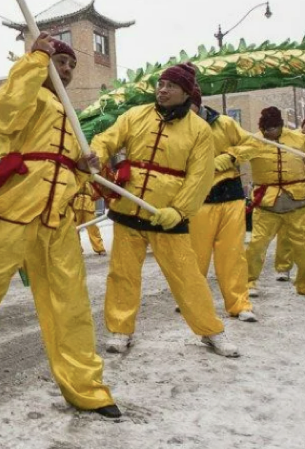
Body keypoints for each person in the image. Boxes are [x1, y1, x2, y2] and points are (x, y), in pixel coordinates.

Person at [0, 34, 120, 419]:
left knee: (70, 305)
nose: (67, 69)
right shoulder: (29, 91)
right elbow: (6, 109)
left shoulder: (73, 118)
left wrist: (86, 168)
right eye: (61, 61)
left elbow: (70, 173)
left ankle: (87, 388)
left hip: (57, 220)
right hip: (14, 210)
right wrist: (35, 59)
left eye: (71, 64)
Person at [90, 63, 238, 358]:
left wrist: (179, 211)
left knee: (187, 276)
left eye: (171, 86)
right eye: (161, 84)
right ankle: (120, 330)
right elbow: (109, 138)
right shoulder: (136, 115)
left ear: (186, 92)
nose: (163, 89)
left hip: (167, 215)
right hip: (129, 206)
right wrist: (97, 152)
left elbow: (200, 176)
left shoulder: (199, 130)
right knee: (123, 274)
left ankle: (211, 331)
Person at [239, 107, 305, 299]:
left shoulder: (299, 140)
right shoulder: (254, 140)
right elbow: (236, 156)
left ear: (280, 126)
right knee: (256, 245)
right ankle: (247, 282)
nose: (269, 132)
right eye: (265, 128)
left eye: (272, 128)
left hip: (298, 201)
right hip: (266, 203)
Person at [187, 89, 258, 322]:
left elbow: (252, 144)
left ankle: (239, 304)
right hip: (199, 199)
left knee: (232, 254)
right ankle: (192, 301)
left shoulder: (225, 124)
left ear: (196, 103)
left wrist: (230, 156)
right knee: (196, 255)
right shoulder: (177, 129)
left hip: (230, 195)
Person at [71, 181, 106, 255]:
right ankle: (77, 249)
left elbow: (100, 187)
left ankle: (99, 248)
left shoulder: (93, 176)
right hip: (76, 203)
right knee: (74, 228)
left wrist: (99, 193)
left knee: (93, 228)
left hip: (89, 203)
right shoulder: (75, 174)